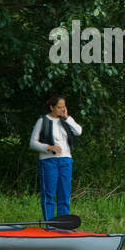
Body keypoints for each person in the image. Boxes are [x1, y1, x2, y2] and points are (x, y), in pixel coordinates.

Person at [30, 93, 82, 221]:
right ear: (52, 107)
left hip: (66, 160)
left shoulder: (65, 120)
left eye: (64, 107)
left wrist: (67, 117)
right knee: (49, 194)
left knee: (64, 194)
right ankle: (49, 224)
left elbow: (78, 131)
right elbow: (32, 143)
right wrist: (48, 147)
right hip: (48, 161)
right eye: (59, 107)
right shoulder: (42, 120)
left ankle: (63, 224)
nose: (62, 109)